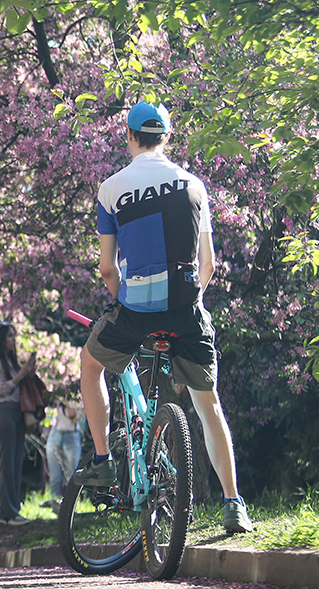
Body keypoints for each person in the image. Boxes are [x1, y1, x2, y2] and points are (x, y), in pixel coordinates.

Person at [72, 101, 253, 533]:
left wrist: (127, 304)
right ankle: (233, 504)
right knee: (208, 406)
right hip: (186, 310)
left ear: (131, 137)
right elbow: (207, 265)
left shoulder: (112, 188)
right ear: (166, 137)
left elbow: (107, 268)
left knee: (90, 365)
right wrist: (186, 303)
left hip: (136, 310)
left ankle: (101, 460)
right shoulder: (193, 185)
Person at [0, 322, 36, 526]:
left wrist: (28, 374)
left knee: (15, 463)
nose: (13, 340)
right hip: (4, 412)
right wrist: (21, 375)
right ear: (0, 339)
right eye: (9, 336)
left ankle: (12, 511)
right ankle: (8, 512)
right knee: (7, 463)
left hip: (17, 413)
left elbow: (18, 387)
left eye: (14, 335)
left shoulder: (10, 361)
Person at [43, 398, 82, 507]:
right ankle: (54, 502)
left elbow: (74, 417)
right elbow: (48, 417)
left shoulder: (77, 397)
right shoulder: (54, 399)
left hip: (71, 435)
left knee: (71, 474)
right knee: (54, 474)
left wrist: (66, 402)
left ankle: (71, 505)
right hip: (55, 434)